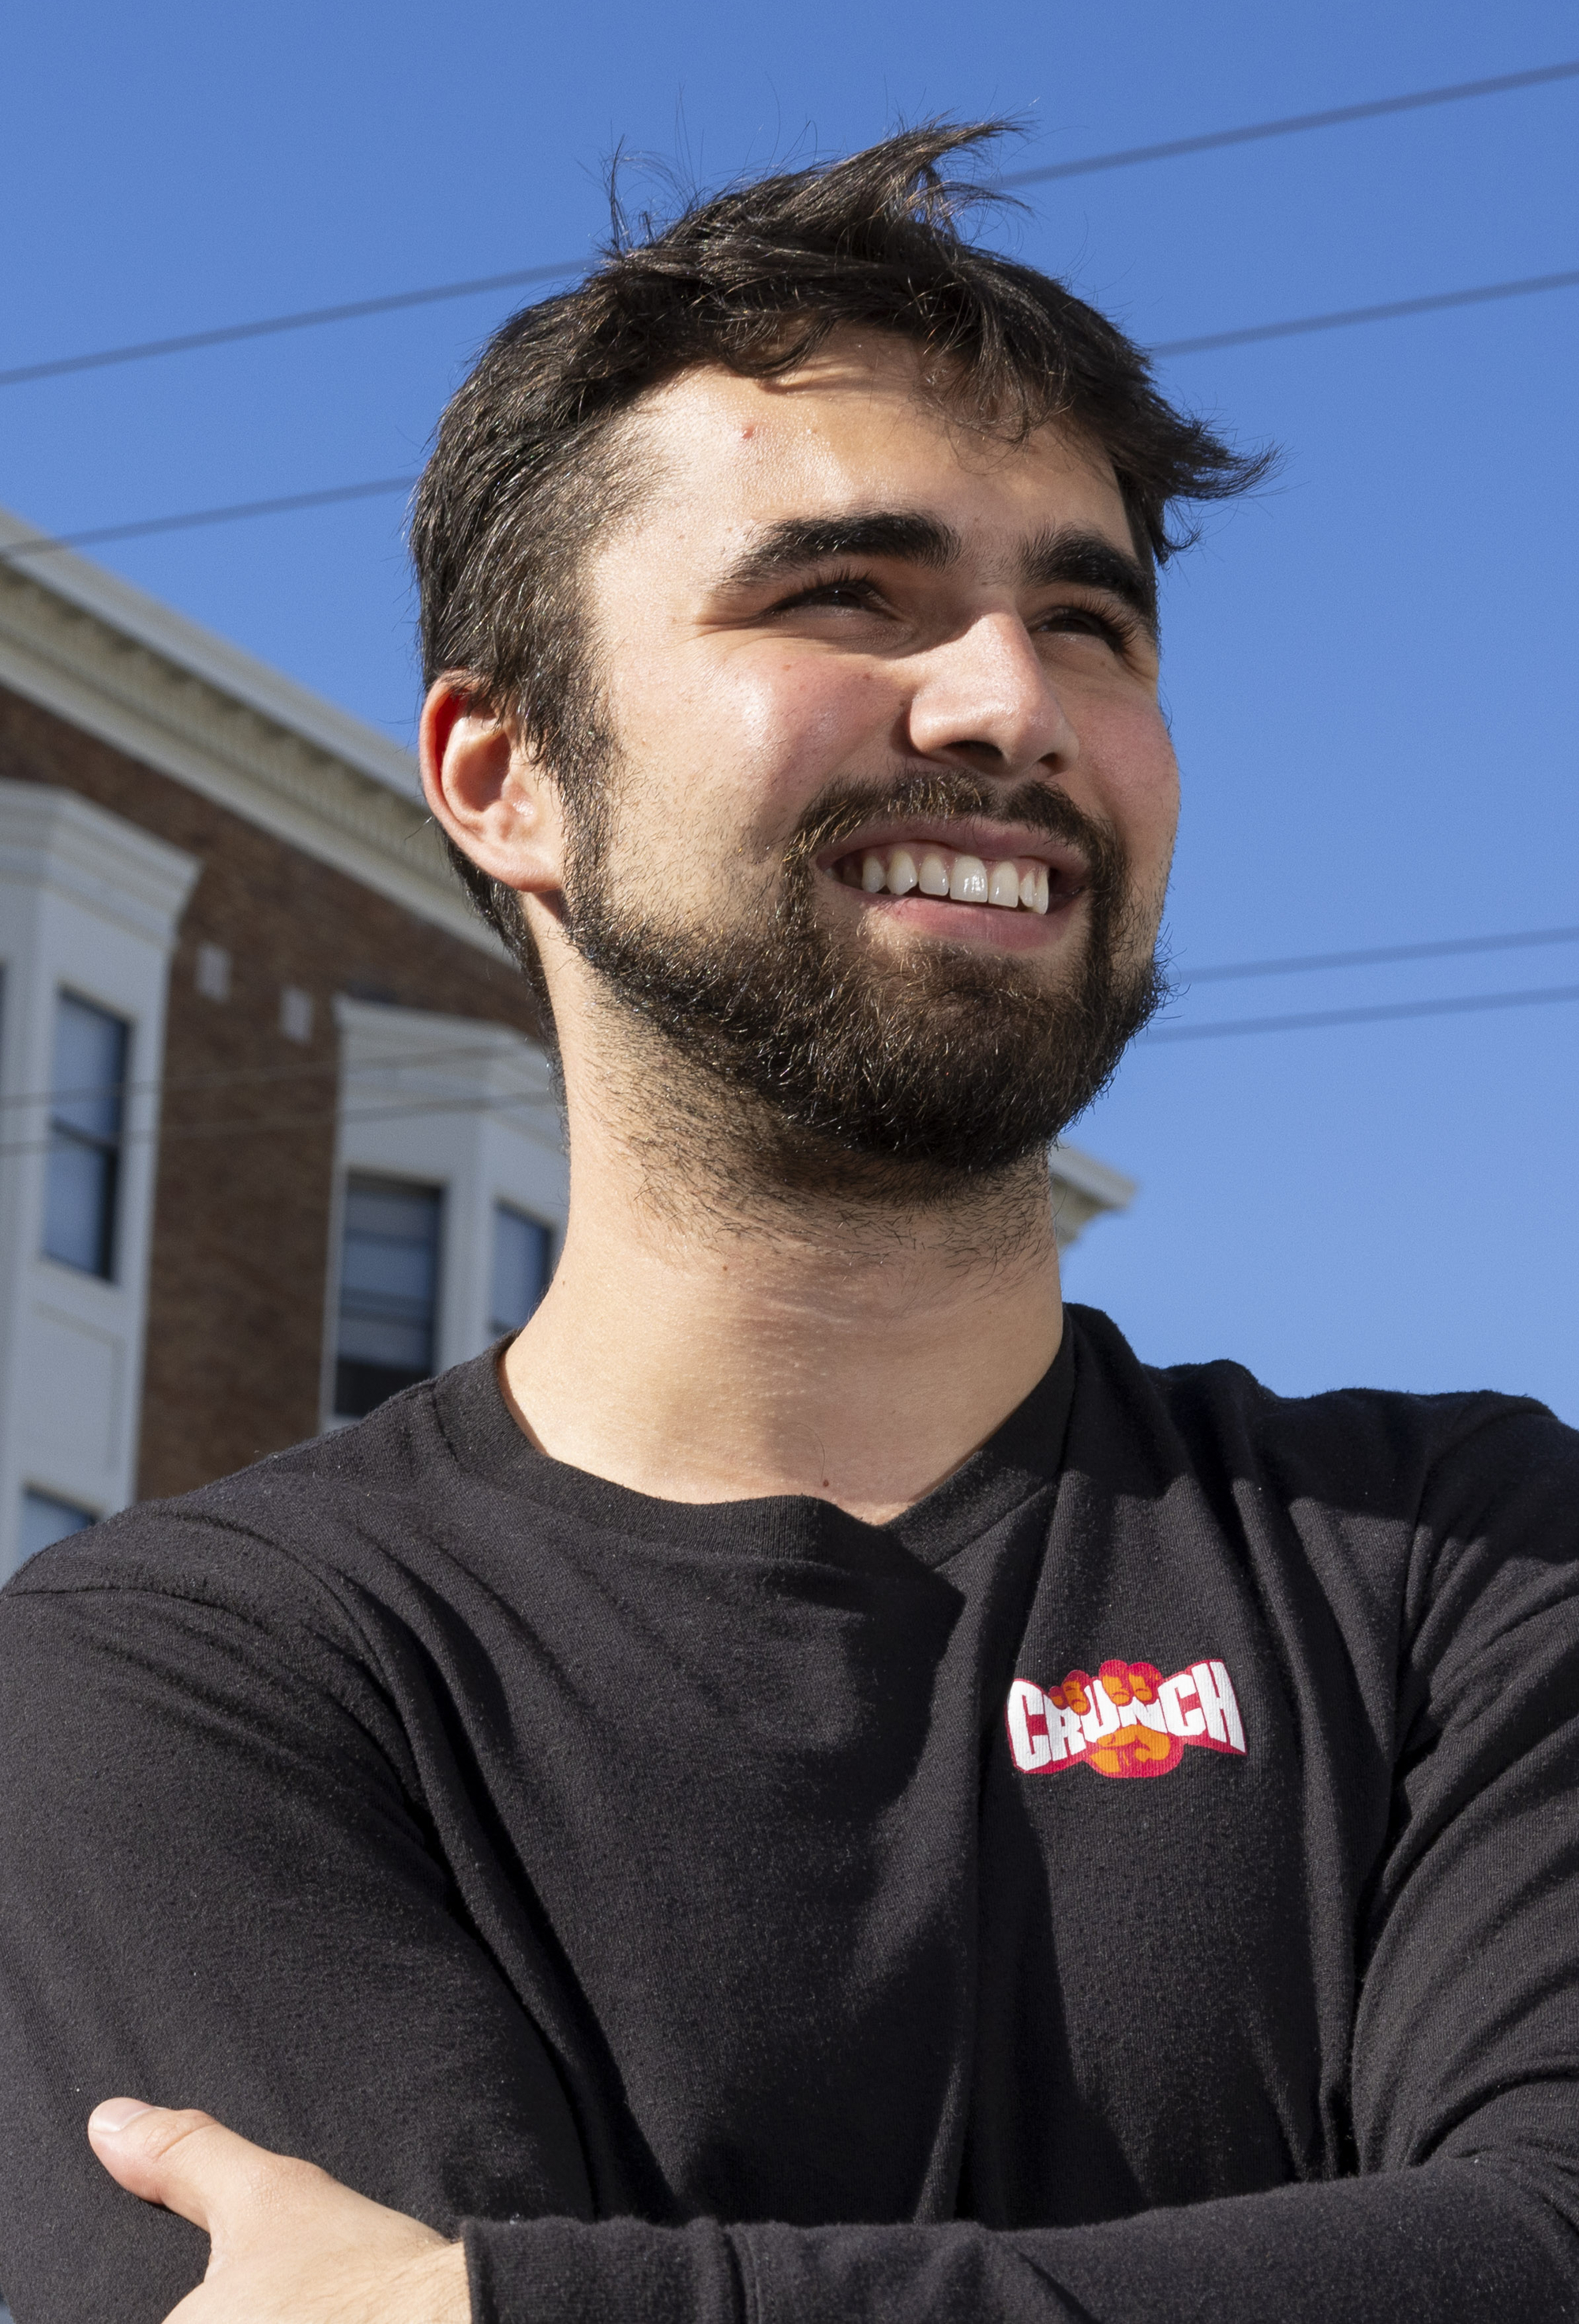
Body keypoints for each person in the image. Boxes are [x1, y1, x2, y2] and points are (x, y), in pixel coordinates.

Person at [1, 123, 1575, 2324]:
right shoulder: (181, 1678)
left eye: (1092, 623)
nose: (1012, 704)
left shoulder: (1480, 1570)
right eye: (849, 595)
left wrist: (525, 2306)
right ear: (500, 773)